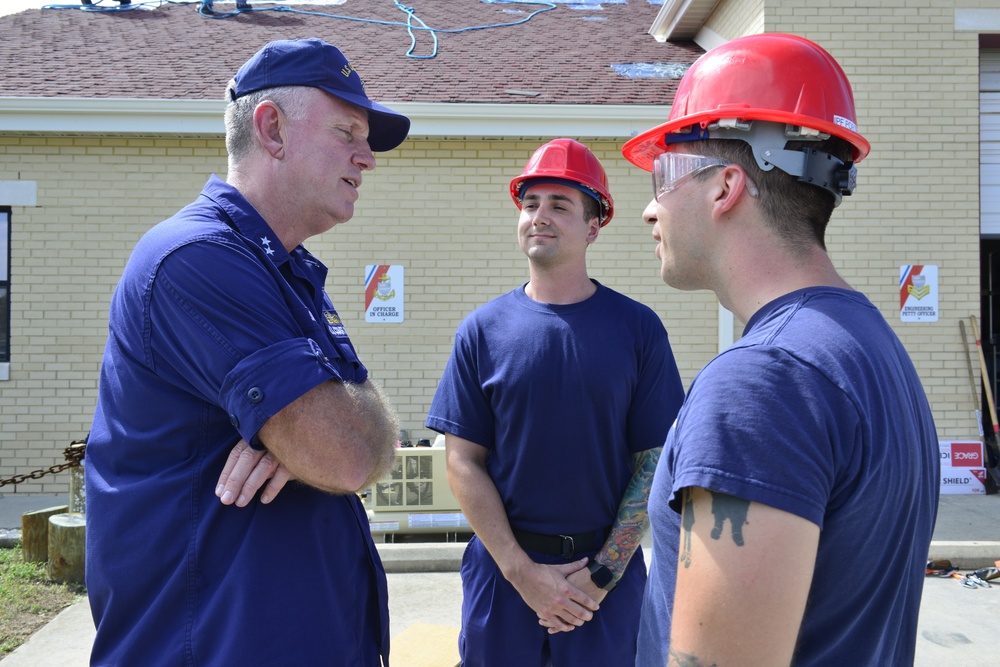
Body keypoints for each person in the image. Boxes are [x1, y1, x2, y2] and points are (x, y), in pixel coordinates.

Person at [85, 38, 409, 666]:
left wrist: (309, 436)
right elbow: (345, 456)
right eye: (347, 131)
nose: (366, 158)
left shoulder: (284, 273)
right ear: (272, 129)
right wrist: (316, 433)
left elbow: (370, 443)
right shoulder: (196, 259)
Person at [622, 33, 940, 666]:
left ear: (725, 188)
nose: (647, 211)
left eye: (663, 175)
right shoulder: (869, 349)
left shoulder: (762, 383)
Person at [425, 138, 686, 666]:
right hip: (503, 575)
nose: (539, 216)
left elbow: (653, 462)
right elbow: (462, 461)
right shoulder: (482, 331)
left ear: (594, 226)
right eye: (530, 203)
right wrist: (523, 574)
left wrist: (600, 578)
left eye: (559, 205)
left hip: (604, 586)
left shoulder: (638, 330)